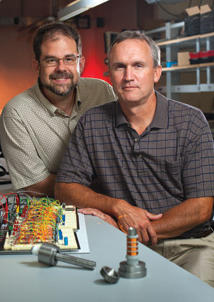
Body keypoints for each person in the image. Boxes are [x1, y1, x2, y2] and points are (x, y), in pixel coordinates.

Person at [55, 30, 214, 286]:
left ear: (156, 73)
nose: (128, 76)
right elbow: (64, 187)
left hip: (189, 246)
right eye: (120, 67)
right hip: (120, 246)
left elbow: (201, 207)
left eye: (138, 65)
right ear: (111, 75)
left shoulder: (191, 121)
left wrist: (128, 230)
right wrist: (118, 206)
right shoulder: (93, 123)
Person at [0, 23, 115, 197]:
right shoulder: (16, 113)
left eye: (69, 59)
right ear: (37, 66)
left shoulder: (102, 91)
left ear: (80, 63)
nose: (61, 68)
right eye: (51, 60)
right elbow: (36, 185)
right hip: (61, 208)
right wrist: (105, 179)